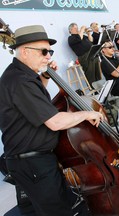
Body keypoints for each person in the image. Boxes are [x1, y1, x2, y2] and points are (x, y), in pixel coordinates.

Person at [0, 25, 103, 215]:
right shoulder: (21, 81)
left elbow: (36, 104)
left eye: (50, 51)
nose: (49, 56)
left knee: (39, 210)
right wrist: (88, 114)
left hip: (27, 163)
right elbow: (54, 121)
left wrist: (45, 77)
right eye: (44, 51)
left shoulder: (19, 76)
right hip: (33, 165)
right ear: (24, 51)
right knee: (58, 211)